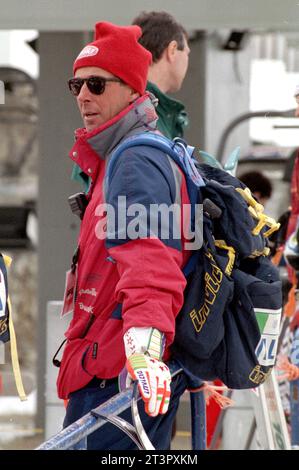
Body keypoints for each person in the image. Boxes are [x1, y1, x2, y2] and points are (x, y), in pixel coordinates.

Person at [56, 21, 191, 450]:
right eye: (76, 84)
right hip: (108, 375)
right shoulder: (116, 158)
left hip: (115, 385)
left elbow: (151, 261)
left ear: (133, 88)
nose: (83, 96)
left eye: (96, 84)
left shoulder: (135, 160)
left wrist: (144, 353)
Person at [132, 11, 190, 140]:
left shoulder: (126, 103)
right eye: (187, 53)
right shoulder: (146, 115)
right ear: (172, 50)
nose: (187, 60)